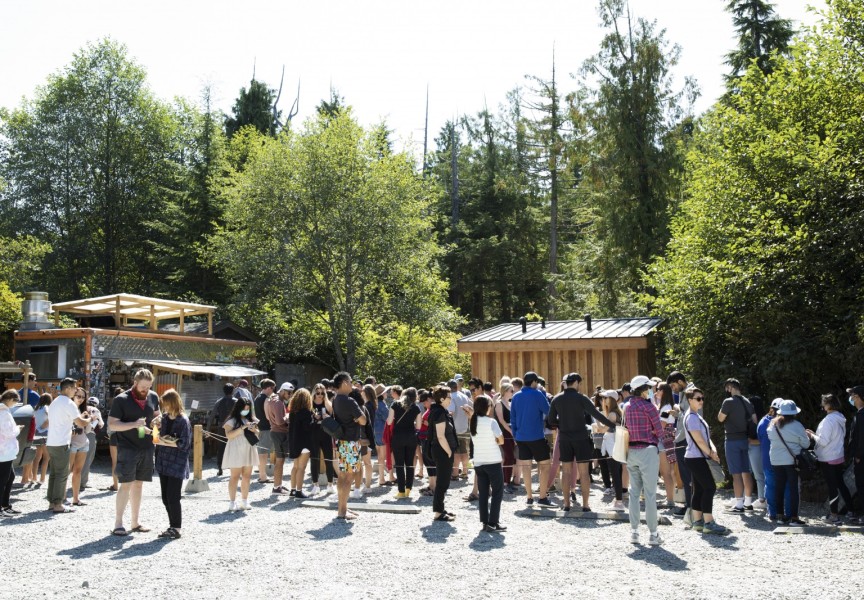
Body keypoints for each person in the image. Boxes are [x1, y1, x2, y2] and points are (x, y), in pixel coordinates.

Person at [547, 373, 615, 512]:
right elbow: (597, 415)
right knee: (584, 473)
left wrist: (563, 423)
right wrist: (613, 425)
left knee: (565, 472)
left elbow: (551, 421)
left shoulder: (556, 399)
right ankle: (585, 505)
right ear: (577, 382)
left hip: (564, 438)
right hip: (581, 438)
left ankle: (566, 504)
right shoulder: (581, 398)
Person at [109, 369, 159, 535]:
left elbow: (157, 416)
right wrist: (134, 424)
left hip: (147, 446)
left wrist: (158, 421)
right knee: (126, 484)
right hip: (127, 447)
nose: (146, 390)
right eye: (143, 387)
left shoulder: (153, 397)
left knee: (139, 484)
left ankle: (135, 522)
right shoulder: (121, 400)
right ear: (135, 383)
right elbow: (112, 425)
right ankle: (118, 523)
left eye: (149, 386)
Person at [683, 388, 730, 535]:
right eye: (698, 398)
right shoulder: (691, 417)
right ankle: (708, 522)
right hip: (695, 457)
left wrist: (713, 450)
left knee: (701, 488)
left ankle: (698, 521)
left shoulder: (695, 416)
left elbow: (706, 437)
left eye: (702, 398)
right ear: (690, 400)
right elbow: (698, 439)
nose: (701, 401)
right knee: (710, 487)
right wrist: (710, 453)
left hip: (697, 457)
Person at [624, 375, 664, 546]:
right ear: (643, 389)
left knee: (634, 493)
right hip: (647, 451)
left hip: (631, 451)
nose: (650, 390)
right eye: (648, 388)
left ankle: (634, 532)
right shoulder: (649, 407)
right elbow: (660, 431)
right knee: (650, 494)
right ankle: (653, 534)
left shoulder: (626, 406)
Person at [806, 394, 853, 524]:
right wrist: (816, 435)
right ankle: (851, 511)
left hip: (827, 458)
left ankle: (834, 515)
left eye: (823, 403)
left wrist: (812, 435)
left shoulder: (828, 420)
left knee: (832, 487)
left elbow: (824, 441)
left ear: (827, 405)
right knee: (841, 484)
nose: (822, 406)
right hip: (838, 455)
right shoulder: (840, 418)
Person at [511, 371, 555, 507]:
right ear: (534, 382)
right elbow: (549, 411)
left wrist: (515, 435)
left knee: (526, 467)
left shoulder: (516, 396)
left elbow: (512, 418)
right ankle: (542, 497)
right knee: (545, 465)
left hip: (520, 437)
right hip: (536, 436)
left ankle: (529, 497)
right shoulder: (538, 394)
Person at [47, 378, 90, 515]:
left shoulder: (55, 401)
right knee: (61, 474)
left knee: (54, 474)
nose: (76, 390)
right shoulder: (68, 403)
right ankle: (58, 504)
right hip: (61, 443)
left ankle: (52, 502)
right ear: (68, 388)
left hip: (51, 442)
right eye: (75, 388)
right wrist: (89, 418)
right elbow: (80, 423)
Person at [153, 389, 191, 539]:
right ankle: (171, 525)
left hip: (177, 462)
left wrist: (167, 442)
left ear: (173, 403)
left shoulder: (183, 420)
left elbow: (185, 444)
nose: (165, 407)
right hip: (163, 461)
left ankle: (176, 527)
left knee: (173, 496)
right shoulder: (164, 418)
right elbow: (156, 438)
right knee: (164, 497)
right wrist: (154, 426)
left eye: (167, 404)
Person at [767, 399, 809, 526]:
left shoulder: (772, 425)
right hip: (791, 460)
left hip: (775, 460)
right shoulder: (797, 425)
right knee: (793, 488)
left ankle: (780, 516)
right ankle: (794, 518)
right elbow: (806, 444)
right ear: (794, 413)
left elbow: (771, 438)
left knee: (779, 487)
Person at [717, 378, 756, 512]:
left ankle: (739, 504)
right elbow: (754, 420)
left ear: (730, 387)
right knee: (747, 471)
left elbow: (720, 418)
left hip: (732, 440)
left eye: (727, 388)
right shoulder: (747, 402)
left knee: (736, 474)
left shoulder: (728, 402)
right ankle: (749, 503)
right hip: (745, 440)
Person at [332, 371, 367, 520]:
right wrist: (356, 418)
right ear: (345, 383)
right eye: (351, 381)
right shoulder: (349, 401)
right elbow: (364, 420)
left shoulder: (335, 400)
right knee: (348, 477)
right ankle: (342, 511)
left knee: (343, 476)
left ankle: (343, 507)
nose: (352, 384)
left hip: (342, 442)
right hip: (351, 443)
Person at [470, 395, 506, 532]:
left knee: (483, 493)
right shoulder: (491, 422)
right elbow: (501, 440)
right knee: (497, 492)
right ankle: (493, 522)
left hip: (479, 462)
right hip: (493, 461)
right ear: (487, 408)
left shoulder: (473, 422)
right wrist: (494, 441)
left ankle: (485, 521)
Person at [223, 395, 259, 511]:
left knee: (247, 476)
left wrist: (254, 430)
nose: (246, 411)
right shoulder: (231, 421)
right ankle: (232, 502)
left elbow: (258, 434)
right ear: (238, 408)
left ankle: (244, 500)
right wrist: (243, 427)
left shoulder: (252, 419)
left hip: (248, 448)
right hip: (235, 449)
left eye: (248, 408)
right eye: (244, 408)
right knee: (234, 476)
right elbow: (229, 435)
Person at [668, 371, 696, 517]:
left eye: (673, 385)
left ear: (680, 381)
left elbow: (693, 416)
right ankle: (690, 505)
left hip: (687, 439)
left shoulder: (692, 392)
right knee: (685, 475)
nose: (673, 389)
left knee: (688, 475)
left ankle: (692, 507)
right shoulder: (685, 392)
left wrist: (679, 411)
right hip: (682, 437)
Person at [758, 398, 791, 521]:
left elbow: (760, 439)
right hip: (784, 459)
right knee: (787, 486)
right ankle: (789, 513)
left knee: (771, 486)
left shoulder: (763, 422)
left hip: (768, 459)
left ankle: (772, 513)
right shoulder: (787, 422)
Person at [387, 387, 422, 499]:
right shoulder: (416, 407)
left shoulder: (395, 404)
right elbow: (419, 426)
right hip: (411, 437)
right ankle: (408, 489)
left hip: (398, 437)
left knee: (399, 464)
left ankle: (401, 491)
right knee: (410, 464)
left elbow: (388, 421)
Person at [429, 385, 457, 522]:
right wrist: (449, 451)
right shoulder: (440, 413)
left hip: (443, 450)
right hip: (442, 451)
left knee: (444, 481)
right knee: (442, 482)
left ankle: (440, 509)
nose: (450, 399)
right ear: (441, 399)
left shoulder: (441, 411)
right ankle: (438, 512)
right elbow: (440, 436)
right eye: (449, 397)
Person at [599, 390, 625, 510]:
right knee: (616, 473)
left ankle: (619, 502)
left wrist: (597, 425)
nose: (603, 401)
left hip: (612, 446)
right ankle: (618, 500)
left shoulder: (612, 414)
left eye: (605, 398)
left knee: (615, 474)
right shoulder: (616, 412)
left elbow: (603, 429)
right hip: (615, 445)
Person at [653, 382, 677, 508]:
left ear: (663, 391)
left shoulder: (666, 407)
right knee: (668, 472)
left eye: (658, 390)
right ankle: (670, 498)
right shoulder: (667, 406)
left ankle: (670, 501)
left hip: (664, 439)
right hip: (668, 438)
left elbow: (661, 426)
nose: (656, 392)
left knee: (665, 472)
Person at [265, 382, 293, 495]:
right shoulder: (278, 402)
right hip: (279, 432)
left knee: (280, 461)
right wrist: (288, 417)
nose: (290, 395)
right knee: (280, 461)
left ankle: (278, 485)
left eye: (291, 393)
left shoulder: (272, 399)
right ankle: (277, 488)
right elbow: (279, 421)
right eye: (288, 392)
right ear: (282, 390)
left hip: (276, 431)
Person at [287, 388, 314, 498]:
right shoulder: (306, 412)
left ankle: (293, 490)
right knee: (302, 468)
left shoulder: (292, 412)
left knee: (295, 467)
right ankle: (299, 490)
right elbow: (307, 428)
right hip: (304, 443)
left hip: (294, 442)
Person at [0, 389, 23, 517]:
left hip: (5, 451)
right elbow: (8, 433)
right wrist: (17, 429)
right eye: (15, 402)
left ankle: (5, 505)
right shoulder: (3, 413)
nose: (14, 405)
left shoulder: (3, 411)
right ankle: (2, 508)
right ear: (9, 399)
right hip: (4, 451)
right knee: (3, 479)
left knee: (10, 477)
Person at [310, 383, 335, 495]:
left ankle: (330, 484)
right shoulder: (310, 404)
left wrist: (327, 416)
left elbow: (333, 416)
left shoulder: (327, 403)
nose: (320, 395)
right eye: (318, 393)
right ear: (314, 393)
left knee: (328, 459)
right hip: (314, 433)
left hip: (326, 433)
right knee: (314, 459)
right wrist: (313, 417)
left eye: (322, 393)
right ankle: (315, 484)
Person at [68, 388, 91, 506]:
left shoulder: (83, 409)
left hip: (83, 442)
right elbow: (71, 425)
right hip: (71, 443)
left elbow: (86, 429)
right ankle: (61, 498)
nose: (81, 399)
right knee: (66, 471)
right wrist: (83, 418)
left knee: (77, 471)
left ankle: (76, 498)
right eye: (78, 396)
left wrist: (88, 420)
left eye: (83, 397)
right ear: (73, 396)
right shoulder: (71, 408)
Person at [494, 383, 517, 493]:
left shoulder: (510, 403)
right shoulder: (499, 403)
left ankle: (507, 481)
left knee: (511, 458)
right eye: (511, 391)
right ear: (505, 391)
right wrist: (511, 432)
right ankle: (504, 482)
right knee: (508, 456)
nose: (513, 392)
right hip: (505, 433)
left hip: (511, 432)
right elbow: (501, 421)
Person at [447, 379, 472, 481]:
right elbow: (471, 407)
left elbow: (451, 411)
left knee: (456, 452)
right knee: (465, 451)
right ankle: (465, 472)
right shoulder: (464, 395)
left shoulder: (451, 397)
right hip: (465, 426)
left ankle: (455, 473)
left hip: (455, 428)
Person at [210, 383, 236, 476]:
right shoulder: (236, 401)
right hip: (234, 426)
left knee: (221, 448)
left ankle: (220, 468)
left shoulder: (219, 401)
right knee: (234, 447)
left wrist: (208, 429)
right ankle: (235, 468)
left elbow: (212, 416)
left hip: (222, 426)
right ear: (233, 390)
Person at [747, 396, 768, 510]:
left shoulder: (761, 420)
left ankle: (762, 499)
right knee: (758, 474)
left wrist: (750, 441)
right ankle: (762, 498)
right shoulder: (763, 418)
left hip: (757, 447)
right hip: (754, 447)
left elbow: (763, 438)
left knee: (759, 474)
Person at [253, 379, 275, 485]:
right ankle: (263, 477)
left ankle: (262, 475)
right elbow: (268, 416)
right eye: (272, 388)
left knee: (261, 453)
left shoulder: (257, 398)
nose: (273, 390)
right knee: (263, 454)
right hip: (266, 428)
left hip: (259, 428)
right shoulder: (266, 399)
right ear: (268, 387)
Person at [79, 396, 104, 491]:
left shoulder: (82, 408)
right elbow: (101, 424)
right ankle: (83, 482)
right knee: (87, 458)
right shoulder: (96, 410)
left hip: (78, 434)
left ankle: (76, 479)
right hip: (90, 435)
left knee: (78, 458)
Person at [849, 385, 864, 524]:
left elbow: (861, 438)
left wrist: (858, 455)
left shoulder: (861, 415)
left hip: (862, 458)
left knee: (862, 485)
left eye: (853, 396)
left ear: (858, 397)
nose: (851, 399)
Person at [417, 389, 437, 497]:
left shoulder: (433, 410)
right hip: (424, 438)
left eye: (425, 402)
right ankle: (431, 485)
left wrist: (424, 422)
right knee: (428, 463)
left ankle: (434, 487)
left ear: (429, 399)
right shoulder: (430, 409)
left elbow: (433, 424)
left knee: (431, 463)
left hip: (428, 439)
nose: (424, 405)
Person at [31, 393, 52, 487]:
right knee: (46, 457)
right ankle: (42, 479)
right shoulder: (47, 408)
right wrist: (44, 426)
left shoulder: (35, 408)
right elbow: (50, 419)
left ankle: (34, 477)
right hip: (44, 433)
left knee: (37, 457)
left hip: (36, 433)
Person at [372, 383, 391, 486]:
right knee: (382, 456)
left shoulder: (375, 404)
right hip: (381, 431)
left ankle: (382, 477)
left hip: (376, 431)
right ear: (382, 394)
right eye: (385, 392)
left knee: (380, 456)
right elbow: (388, 419)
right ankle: (382, 479)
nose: (387, 393)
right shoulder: (382, 405)